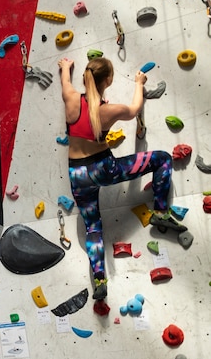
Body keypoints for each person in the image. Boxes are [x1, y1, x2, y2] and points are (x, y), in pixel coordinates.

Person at [58, 56, 185, 300]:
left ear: (86, 77)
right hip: (104, 169)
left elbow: (65, 81)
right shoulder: (109, 110)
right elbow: (135, 108)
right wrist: (139, 82)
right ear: (109, 79)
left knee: (93, 228)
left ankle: (100, 280)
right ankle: (160, 212)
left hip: (78, 174)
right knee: (162, 159)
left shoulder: (71, 98)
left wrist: (65, 68)